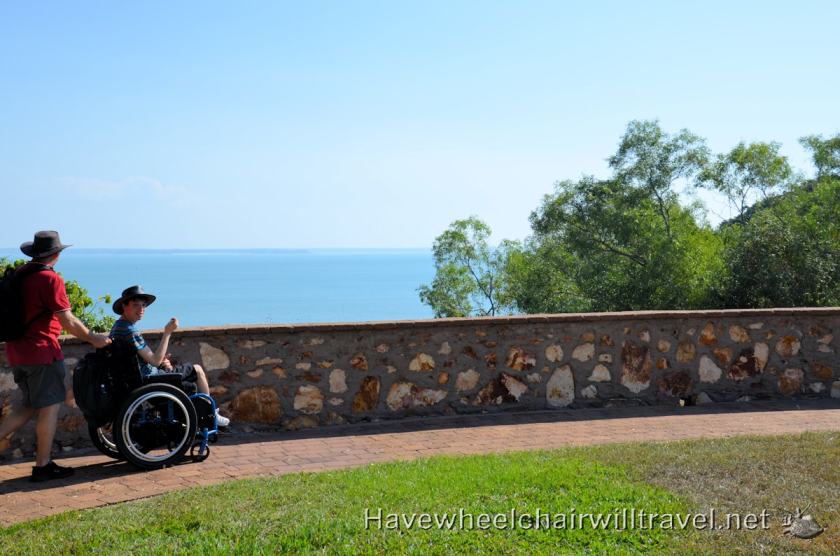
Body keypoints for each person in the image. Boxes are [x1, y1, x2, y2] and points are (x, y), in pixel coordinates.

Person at [0, 231, 112, 482]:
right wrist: (93, 338)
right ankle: (43, 466)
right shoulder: (50, 280)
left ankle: (43, 463)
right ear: (57, 255)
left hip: (17, 351)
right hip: (42, 352)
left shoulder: (20, 275)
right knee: (49, 408)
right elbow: (68, 320)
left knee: (28, 406)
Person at [109, 285, 230, 427]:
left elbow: (142, 359)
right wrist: (167, 333)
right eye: (136, 305)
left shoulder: (118, 327)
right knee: (196, 369)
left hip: (139, 378)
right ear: (124, 306)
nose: (141, 309)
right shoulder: (130, 331)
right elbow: (154, 361)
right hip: (149, 380)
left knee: (187, 382)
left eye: (143, 305)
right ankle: (211, 414)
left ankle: (197, 417)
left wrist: (160, 362)